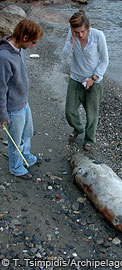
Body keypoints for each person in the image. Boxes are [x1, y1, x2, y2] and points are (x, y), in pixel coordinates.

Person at [0, 19, 43, 179]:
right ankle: (16, 167)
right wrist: (2, 115)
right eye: (33, 41)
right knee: (15, 140)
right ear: (25, 37)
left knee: (28, 133)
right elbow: (1, 88)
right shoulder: (4, 58)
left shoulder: (20, 49)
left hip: (23, 102)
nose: (34, 45)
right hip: (12, 108)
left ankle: (26, 157)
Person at [62, 10, 109, 151]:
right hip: (75, 78)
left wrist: (94, 78)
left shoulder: (98, 35)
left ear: (88, 27)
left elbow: (105, 60)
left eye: (82, 31)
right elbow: (63, 56)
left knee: (92, 113)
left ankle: (89, 139)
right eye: (77, 32)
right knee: (69, 111)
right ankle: (79, 128)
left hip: (93, 80)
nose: (80, 35)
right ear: (72, 29)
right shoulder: (73, 35)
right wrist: (72, 41)